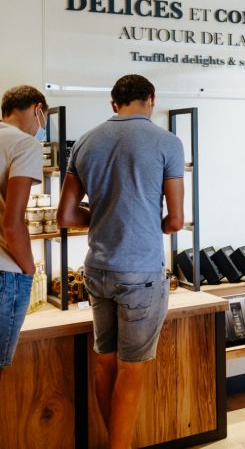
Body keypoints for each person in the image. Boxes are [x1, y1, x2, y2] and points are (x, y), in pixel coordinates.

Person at [57, 74, 184, 449]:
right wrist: (149, 222)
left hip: (97, 269)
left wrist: (101, 218)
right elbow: (175, 221)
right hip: (141, 273)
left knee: (105, 360)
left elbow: (66, 215)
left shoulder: (86, 140)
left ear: (113, 104)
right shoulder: (167, 142)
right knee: (132, 370)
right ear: (152, 100)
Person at [0, 85, 48, 375]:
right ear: (37, 109)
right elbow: (13, 221)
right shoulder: (24, 144)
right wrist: (29, 269)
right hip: (5, 269)